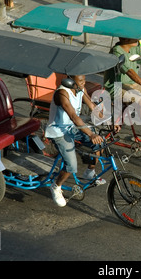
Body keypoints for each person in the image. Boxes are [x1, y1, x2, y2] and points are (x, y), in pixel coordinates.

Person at [45, 75, 106, 207]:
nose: (83, 83)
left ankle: (89, 172)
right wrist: (90, 134)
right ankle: (56, 186)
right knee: (71, 165)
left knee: (100, 144)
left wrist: (108, 122)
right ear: (71, 81)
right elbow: (73, 116)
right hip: (59, 132)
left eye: (84, 80)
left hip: (72, 128)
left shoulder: (80, 89)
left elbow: (92, 106)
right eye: (80, 81)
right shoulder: (62, 93)